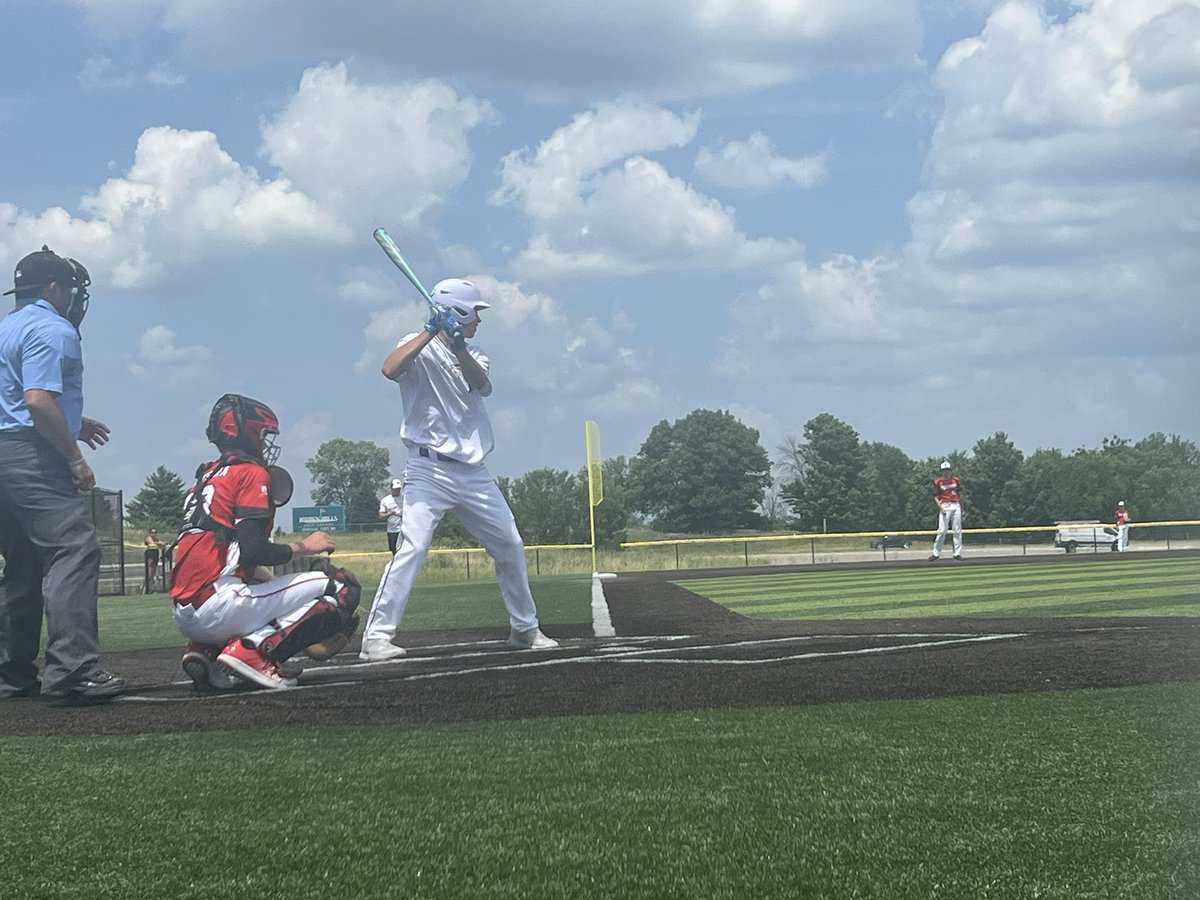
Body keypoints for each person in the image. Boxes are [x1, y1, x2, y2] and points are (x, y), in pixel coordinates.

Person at [359, 278, 558, 661]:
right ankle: (377, 638)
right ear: (459, 311)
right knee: (412, 547)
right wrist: (429, 332)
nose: (479, 320)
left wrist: (458, 345)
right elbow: (389, 368)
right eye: (475, 313)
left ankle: (525, 629)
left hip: (474, 472)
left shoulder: (475, 352)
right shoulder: (412, 344)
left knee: (510, 545)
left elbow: (481, 384)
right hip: (427, 469)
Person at [168, 393, 362, 691]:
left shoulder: (206, 476)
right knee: (341, 585)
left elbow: (234, 554)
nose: (266, 442)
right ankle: (255, 652)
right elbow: (255, 550)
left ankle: (206, 651)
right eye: (263, 434)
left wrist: (278, 592)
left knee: (262, 589)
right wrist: (306, 546)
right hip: (219, 605)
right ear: (247, 433)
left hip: (187, 611)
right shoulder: (250, 473)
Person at [0, 245, 124, 701]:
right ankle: (73, 669)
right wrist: (74, 456)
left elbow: (14, 397)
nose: (72, 297)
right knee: (74, 549)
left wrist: (74, 420)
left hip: (3, 455)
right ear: (54, 288)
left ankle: (11, 673)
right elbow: (36, 400)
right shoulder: (52, 327)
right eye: (69, 288)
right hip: (33, 456)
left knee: (23, 564)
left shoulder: (6, 326)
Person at [928, 460, 964, 561]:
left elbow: (960, 494)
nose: (946, 472)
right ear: (941, 471)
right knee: (942, 530)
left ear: (950, 471)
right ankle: (936, 553)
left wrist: (961, 507)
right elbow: (935, 496)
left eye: (947, 470)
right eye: (944, 470)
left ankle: (957, 553)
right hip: (945, 505)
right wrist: (941, 507)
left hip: (955, 505)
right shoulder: (938, 482)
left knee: (957, 530)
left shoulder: (955, 480)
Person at [378, 478, 404, 553]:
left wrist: (401, 515)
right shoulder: (385, 500)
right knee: (394, 551)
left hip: (404, 529)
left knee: (404, 551)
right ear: (391, 488)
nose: (397, 491)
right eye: (395, 489)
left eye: (398, 489)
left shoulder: (405, 498)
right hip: (392, 530)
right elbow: (381, 515)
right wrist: (389, 513)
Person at [142, 528, 165, 593]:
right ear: (150, 533)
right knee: (149, 574)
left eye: (155, 532)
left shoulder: (156, 539)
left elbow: (161, 545)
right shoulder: (148, 538)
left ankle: (151, 589)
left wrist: (161, 544)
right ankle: (144, 588)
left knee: (153, 574)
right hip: (150, 557)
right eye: (152, 532)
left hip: (155, 557)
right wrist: (160, 543)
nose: (154, 534)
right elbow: (152, 543)